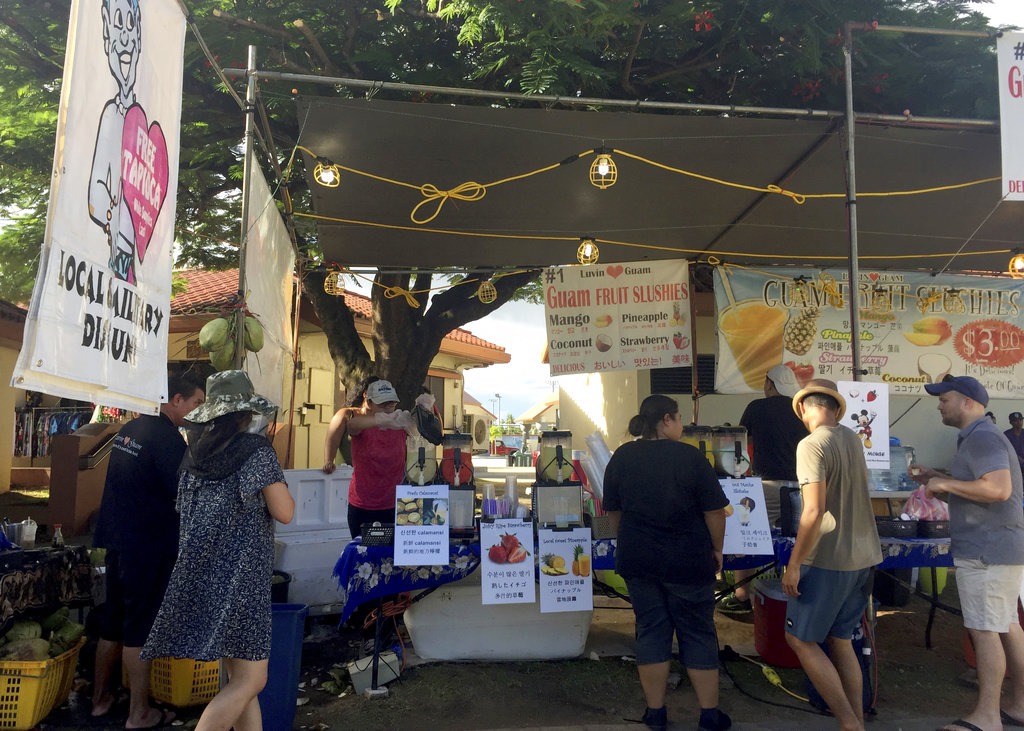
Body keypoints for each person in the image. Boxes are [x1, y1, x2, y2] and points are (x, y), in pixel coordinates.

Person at [141, 370, 294, 731]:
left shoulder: (193, 457)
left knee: (241, 681)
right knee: (252, 681)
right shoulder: (255, 452)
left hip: (204, 578)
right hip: (242, 582)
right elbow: (284, 512)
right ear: (246, 414)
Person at [603, 395, 732, 731]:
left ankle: (656, 713)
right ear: (665, 420)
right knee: (698, 633)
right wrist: (717, 549)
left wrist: (626, 541)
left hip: (638, 560)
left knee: (651, 631)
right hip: (688, 560)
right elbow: (715, 512)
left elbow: (613, 512)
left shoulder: (621, 456)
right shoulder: (690, 457)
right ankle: (709, 716)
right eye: (678, 419)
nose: (682, 425)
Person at [90, 373, 205, 728]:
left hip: (117, 539)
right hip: (146, 546)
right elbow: (187, 493)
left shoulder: (131, 430)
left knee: (112, 623)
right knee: (139, 628)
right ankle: (138, 713)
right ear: (176, 400)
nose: (198, 412)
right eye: (197, 403)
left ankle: (100, 700)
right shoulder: (168, 439)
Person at [911, 375, 1024, 731]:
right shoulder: (977, 438)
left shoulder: (984, 437)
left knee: (985, 629)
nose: (939, 405)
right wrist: (938, 476)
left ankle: (988, 717)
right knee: (1006, 625)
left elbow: (999, 489)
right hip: (1000, 546)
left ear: (967, 402)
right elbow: (979, 489)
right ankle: (1020, 704)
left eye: (944, 399)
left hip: (987, 550)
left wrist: (944, 482)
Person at [782, 379, 881, 731]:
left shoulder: (811, 445)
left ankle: (848, 723)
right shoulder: (852, 438)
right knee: (842, 639)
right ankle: (856, 723)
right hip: (865, 556)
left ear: (805, 410)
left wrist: (793, 565)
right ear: (836, 409)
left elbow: (812, 511)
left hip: (828, 560)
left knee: (800, 639)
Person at [725, 364, 806, 613]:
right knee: (798, 540)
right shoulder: (800, 409)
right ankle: (796, 593)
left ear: (769, 384)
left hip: (766, 486)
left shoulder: (756, 408)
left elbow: (742, 442)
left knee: (747, 536)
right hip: (802, 487)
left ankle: (742, 595)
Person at [342, 379, 419, 538]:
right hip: (363, 504)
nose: (388, 409)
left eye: (391, 404)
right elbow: (352, 426)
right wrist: (380, 420)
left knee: (391, 557)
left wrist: (413, 423)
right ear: (368, 402)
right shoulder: (362, 421)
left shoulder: (399, 423)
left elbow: (423, 437)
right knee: (364, 555)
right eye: (383, 404)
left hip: (396, 503)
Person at [322, 375, 380, 473]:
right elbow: (332, 441)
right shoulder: (346, 414)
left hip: (373, 476)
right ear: (365, 394)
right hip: (345, 475)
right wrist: (329, 461)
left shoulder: (383, 419)